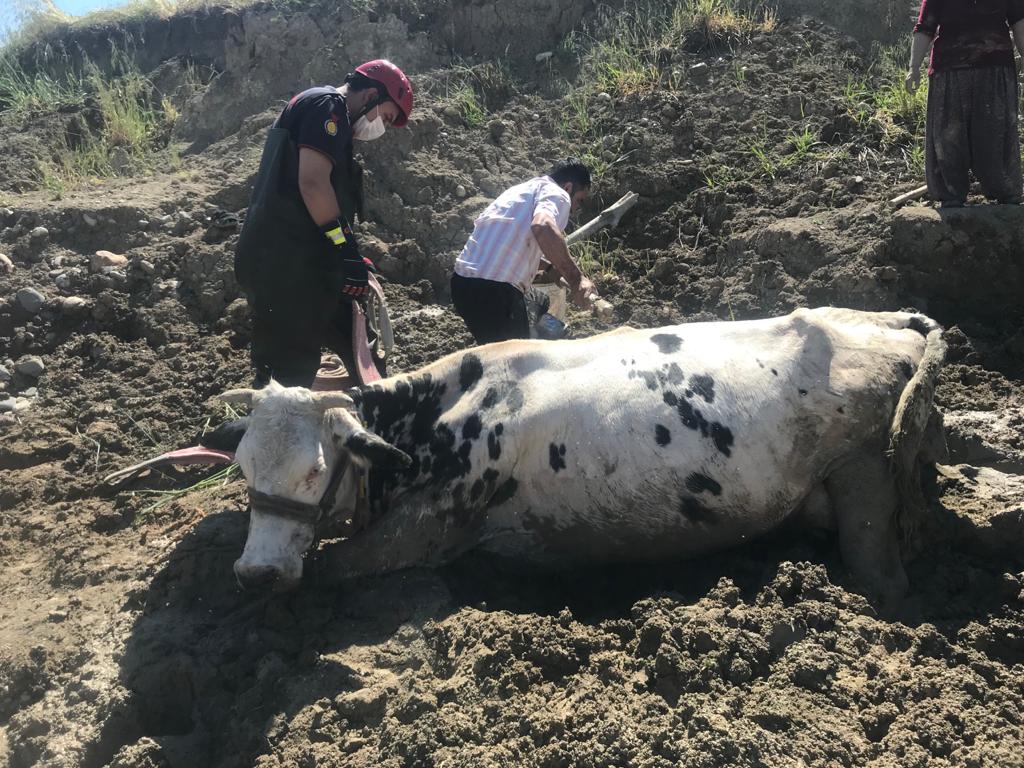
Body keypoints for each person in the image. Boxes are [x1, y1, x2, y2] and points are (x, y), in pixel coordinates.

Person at [234, 59, 413, 387]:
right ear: (371, 94)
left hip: (308, 264)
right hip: (284, 267)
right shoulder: (326, 107)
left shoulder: (332, 117)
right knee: (287, 381)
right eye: (385, 116)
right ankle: (270, 432)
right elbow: (313, 184)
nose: (380, 127)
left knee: (364, 354)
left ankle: (366, 426)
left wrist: (350, 256)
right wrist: (345, 248)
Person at [451, 159, 596, 345]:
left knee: (539, 301)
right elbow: (543, 226)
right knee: (515, 367)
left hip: (463, 286)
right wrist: (577, 279)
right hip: (496, 293)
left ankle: (529, 337)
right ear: (568, 188)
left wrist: (550, 267)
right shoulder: (558, 194)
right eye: (579, 200)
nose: (576, 208)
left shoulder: (519, 191)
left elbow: (508, 244)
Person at [906, 0, 1024, 207]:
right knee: (948, 136)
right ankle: (950, 194)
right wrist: (913, 67)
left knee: (996, 134)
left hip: (995, 70)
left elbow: (1019, 23)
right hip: (949, 70)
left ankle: (1006, 192)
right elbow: (925, 26)